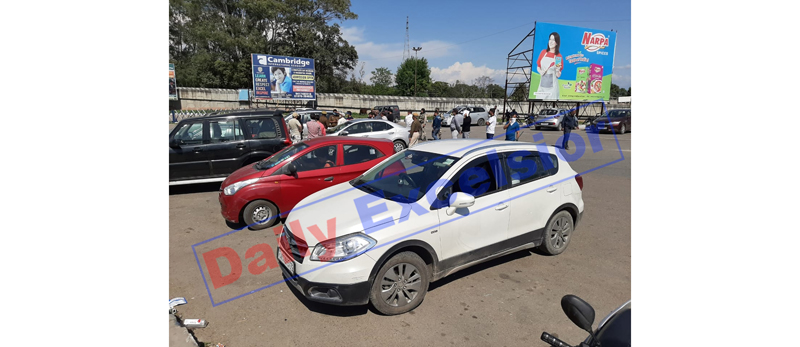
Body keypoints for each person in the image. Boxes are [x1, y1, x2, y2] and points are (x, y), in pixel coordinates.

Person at [535, 32, 563, 100]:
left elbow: (558, 75)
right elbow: (538, 66)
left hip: (552, 89)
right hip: (542, 86)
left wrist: (557, 70)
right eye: (550, 39)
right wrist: (540, 71)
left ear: (557, 43)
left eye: (553, 40)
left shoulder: (558, 56)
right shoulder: (543, 52)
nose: (551, 42)